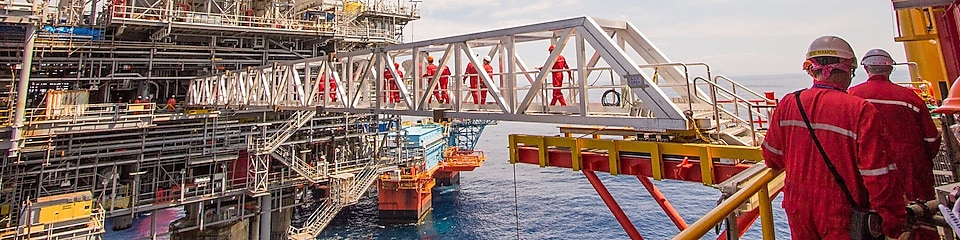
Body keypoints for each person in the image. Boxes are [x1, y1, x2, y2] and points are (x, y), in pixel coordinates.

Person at [761, 36, 907, 239]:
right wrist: (892, 219)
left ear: (812, 70)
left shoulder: (789, 103)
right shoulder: (859, 110)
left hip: (798, 208)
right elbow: (878, 174)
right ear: (848, 70)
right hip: (842, 213)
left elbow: (772, 157)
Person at [849, 48, 941, 239]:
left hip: (869, 170)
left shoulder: (853, 96)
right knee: (920, 218)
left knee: (873, 219)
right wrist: (920, 159)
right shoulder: (910, 98)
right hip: (912, 169)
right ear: (890, 69)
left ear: (865, 69)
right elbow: (932, 139)